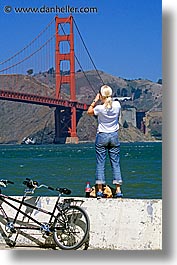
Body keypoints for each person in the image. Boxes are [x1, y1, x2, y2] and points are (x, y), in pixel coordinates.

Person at [87, 85, 123, 198]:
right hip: (114, 136)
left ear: (101, 95)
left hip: (102, 136)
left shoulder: (99, 108)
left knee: (100, 163)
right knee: (115, 163)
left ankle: (99, 191)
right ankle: (118, 191)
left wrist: (95, 100)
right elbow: (111, 103)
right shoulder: (117, 105)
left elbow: (89, 111)